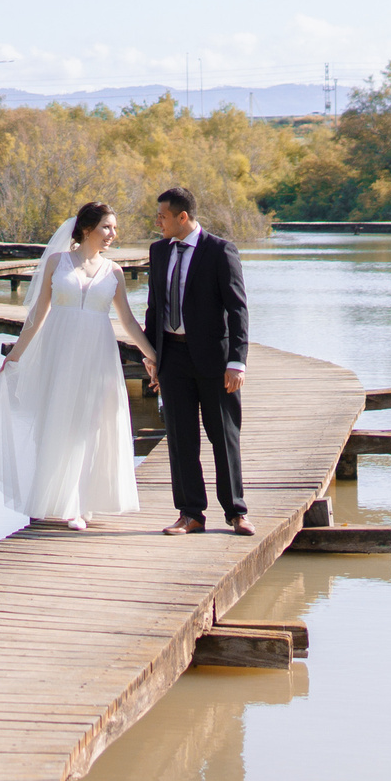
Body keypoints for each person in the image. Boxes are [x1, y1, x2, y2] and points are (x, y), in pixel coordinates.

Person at [0, 202, 161, 530]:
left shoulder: (114, 272)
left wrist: (154, 357)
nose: (113, 234)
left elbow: (129, 322)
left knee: (90, 426)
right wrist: (15, 356)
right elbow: (37, 315)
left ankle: (80, 504)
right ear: (86, 228)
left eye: (114, 228)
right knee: (53, 421)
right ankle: (46, 499)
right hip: (59, 352)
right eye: (107, 227)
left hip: (98, 357)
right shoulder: (57, 262)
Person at [146, 185, 251, 535]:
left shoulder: (220, 251)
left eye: (162, 216)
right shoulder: (158, 251)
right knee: (181, 438)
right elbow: (154, 308)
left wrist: (237, 361)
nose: (157, 222)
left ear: (183, 217)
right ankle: (190, 514)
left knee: (224, 436)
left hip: (215, 360)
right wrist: (152, 356)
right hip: (172, 357)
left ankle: (236, 512)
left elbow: (238, 309)